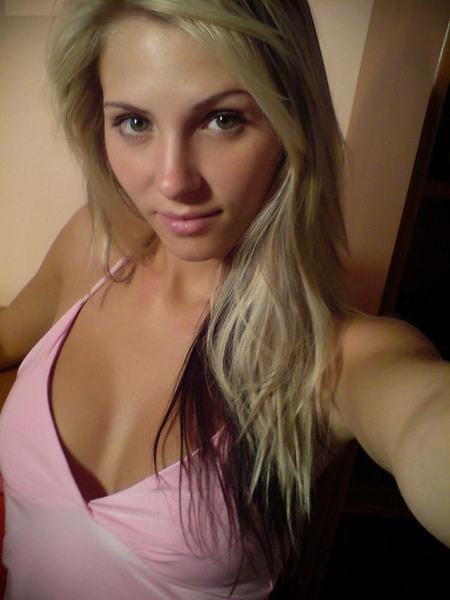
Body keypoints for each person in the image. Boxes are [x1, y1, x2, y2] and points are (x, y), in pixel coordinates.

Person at [0, 0, 449, 598]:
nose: (172, 181)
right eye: (134, 122)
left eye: (222, 119)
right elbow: (11, 330)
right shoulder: (94, 244)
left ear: (291, 124)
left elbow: (422, 415)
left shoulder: (330, 355)